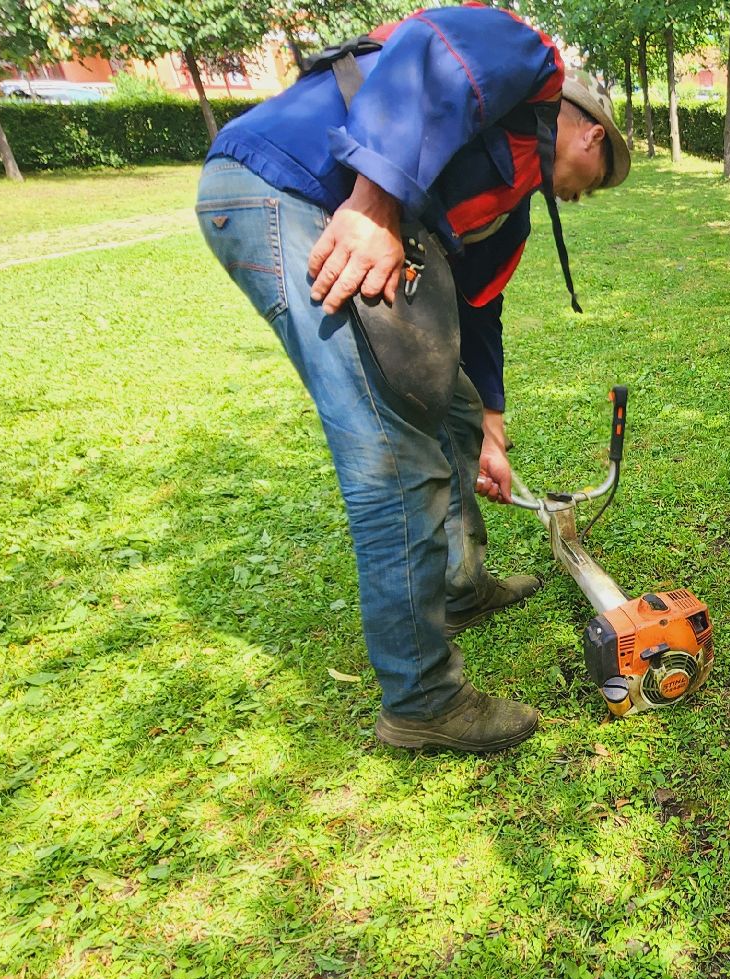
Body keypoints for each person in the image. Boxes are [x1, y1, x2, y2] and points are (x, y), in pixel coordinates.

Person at [194, 3, 630, 754]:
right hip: (290, 190)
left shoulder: (512, 210)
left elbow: (474, 310)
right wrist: (372, 201)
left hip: (331, 206)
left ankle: (460, 586)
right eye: (598, 178)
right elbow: (431, 50)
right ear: (590, 132)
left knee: (452, 413)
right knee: (394, 456)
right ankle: (423, 698)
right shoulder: (530, 60)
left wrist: (489, 422)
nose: (583, 196)